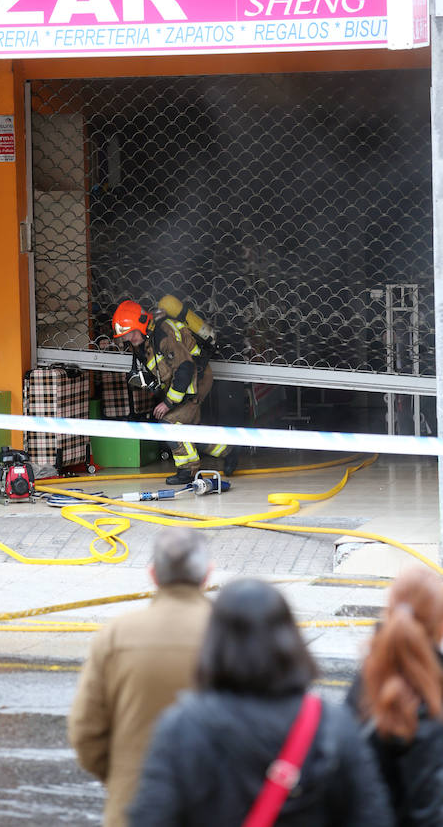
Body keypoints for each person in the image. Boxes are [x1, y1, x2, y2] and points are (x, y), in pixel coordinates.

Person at [128, 578, 394, 827]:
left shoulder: (181, 726)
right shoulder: (333, 725)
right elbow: (372, 816)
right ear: (289, 640)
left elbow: (150, 817)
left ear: (214, 641)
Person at [68, 527, 212, 827]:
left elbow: (85, 731)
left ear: (154, 575)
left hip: (132, 807)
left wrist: (122, 777)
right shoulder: (232, 635)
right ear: (207, 575)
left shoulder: (117, 634)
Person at [346, 566, 443, 826]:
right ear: (440, 627)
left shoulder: (366, 677)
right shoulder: (430, 699)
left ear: (388, 610)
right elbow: (429, 809)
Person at [111, 299, 239, 484]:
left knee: (169, 423)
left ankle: (188, 471)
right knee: (189, 431)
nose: (128, 340)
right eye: (125, 337)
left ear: (140, 325)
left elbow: (185, 367)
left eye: (130, 334)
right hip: (181, 382)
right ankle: (229, 451)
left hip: (196, 379)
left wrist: (169, 402)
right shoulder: (143, 340)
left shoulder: (163, 334)